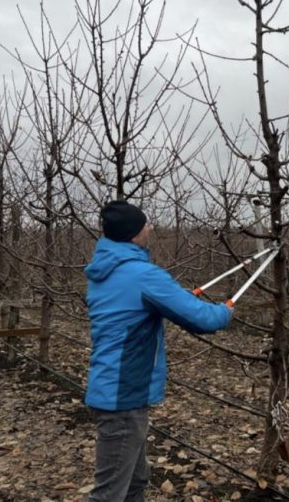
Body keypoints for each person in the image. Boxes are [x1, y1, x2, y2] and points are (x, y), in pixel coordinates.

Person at [84, 200, 232, 502]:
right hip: (123, 397)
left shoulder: (105, 270)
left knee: (136, 482)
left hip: (114, 390)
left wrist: (176, 298)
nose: (150, 228)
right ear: (133, 233)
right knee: (109, 494)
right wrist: (225, 311)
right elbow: (202, 319)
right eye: (145, 224)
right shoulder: (142, 275)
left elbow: (138, 307)